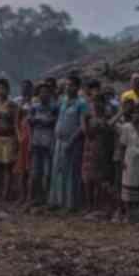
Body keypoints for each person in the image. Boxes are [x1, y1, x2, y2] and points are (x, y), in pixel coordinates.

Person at [51, 75, 90, 211]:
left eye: (71, 85)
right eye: (66, 85)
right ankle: (57, 201)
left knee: (72, 172)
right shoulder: (63, 100)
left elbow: (82, 126)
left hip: (73, 142)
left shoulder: (82, 103)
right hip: (59, 140)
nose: (68, 88)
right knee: (58, 170)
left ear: (77, 87)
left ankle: (71, 203)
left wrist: (71, 140)